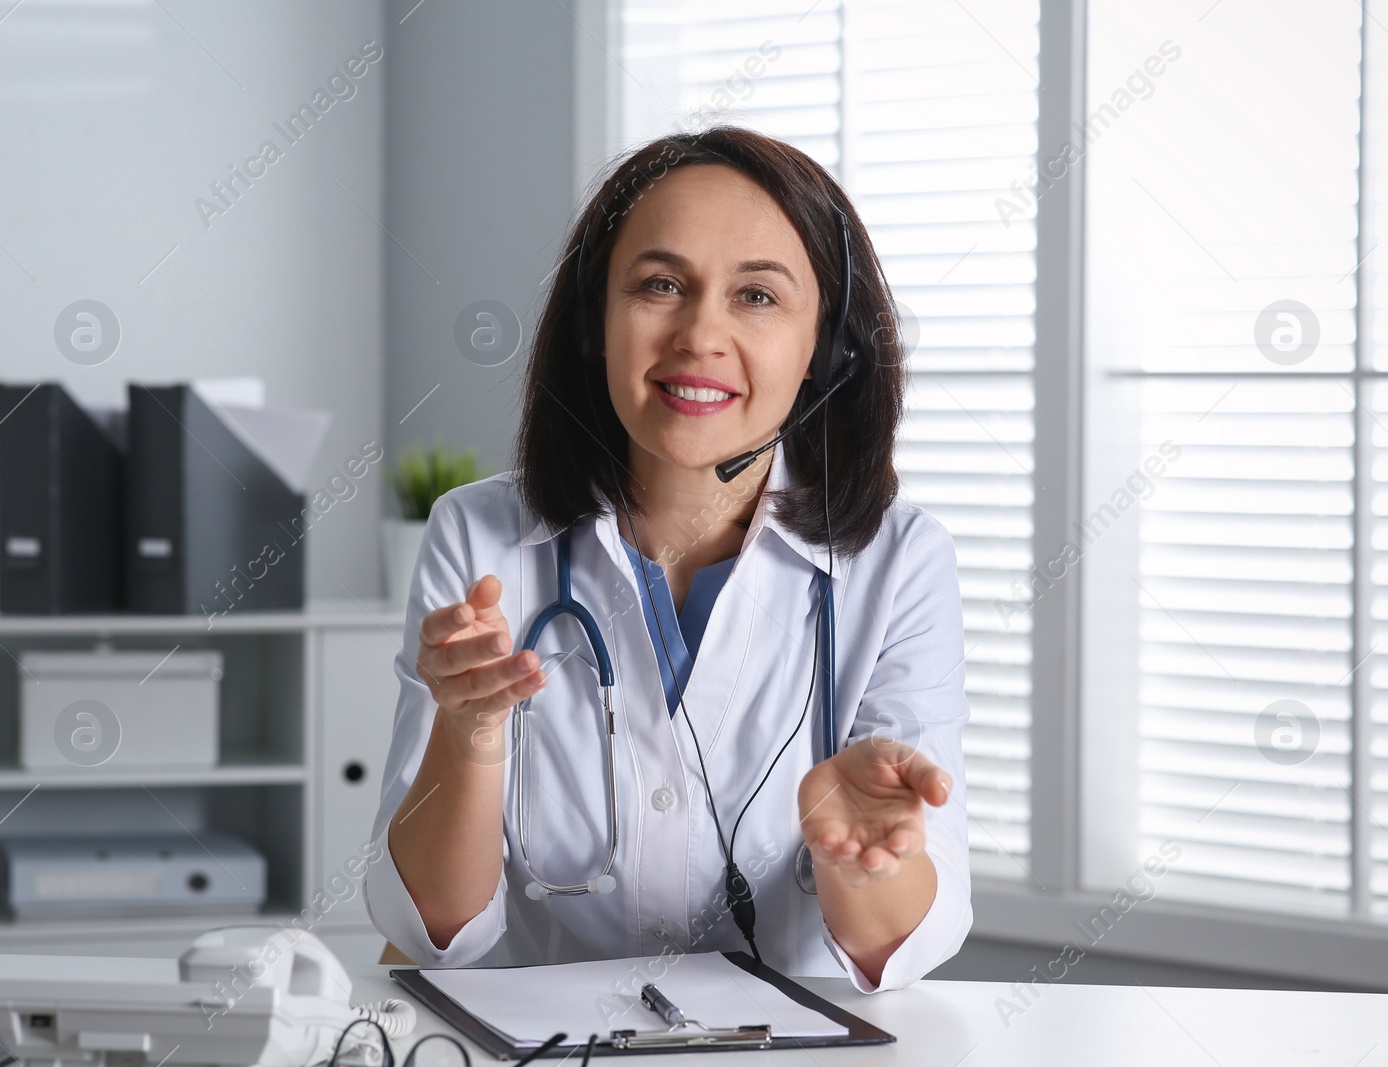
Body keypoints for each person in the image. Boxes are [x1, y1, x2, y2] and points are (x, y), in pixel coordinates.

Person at [364, 126, 973, 993]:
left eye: (757, 296)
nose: (700, 334)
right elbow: (433, 933)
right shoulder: (481, 536)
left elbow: (907, 941)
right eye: (659, 285)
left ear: (825, 351)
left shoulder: (901, 559)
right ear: (595, 324)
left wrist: (866, 857)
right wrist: (466, 738)